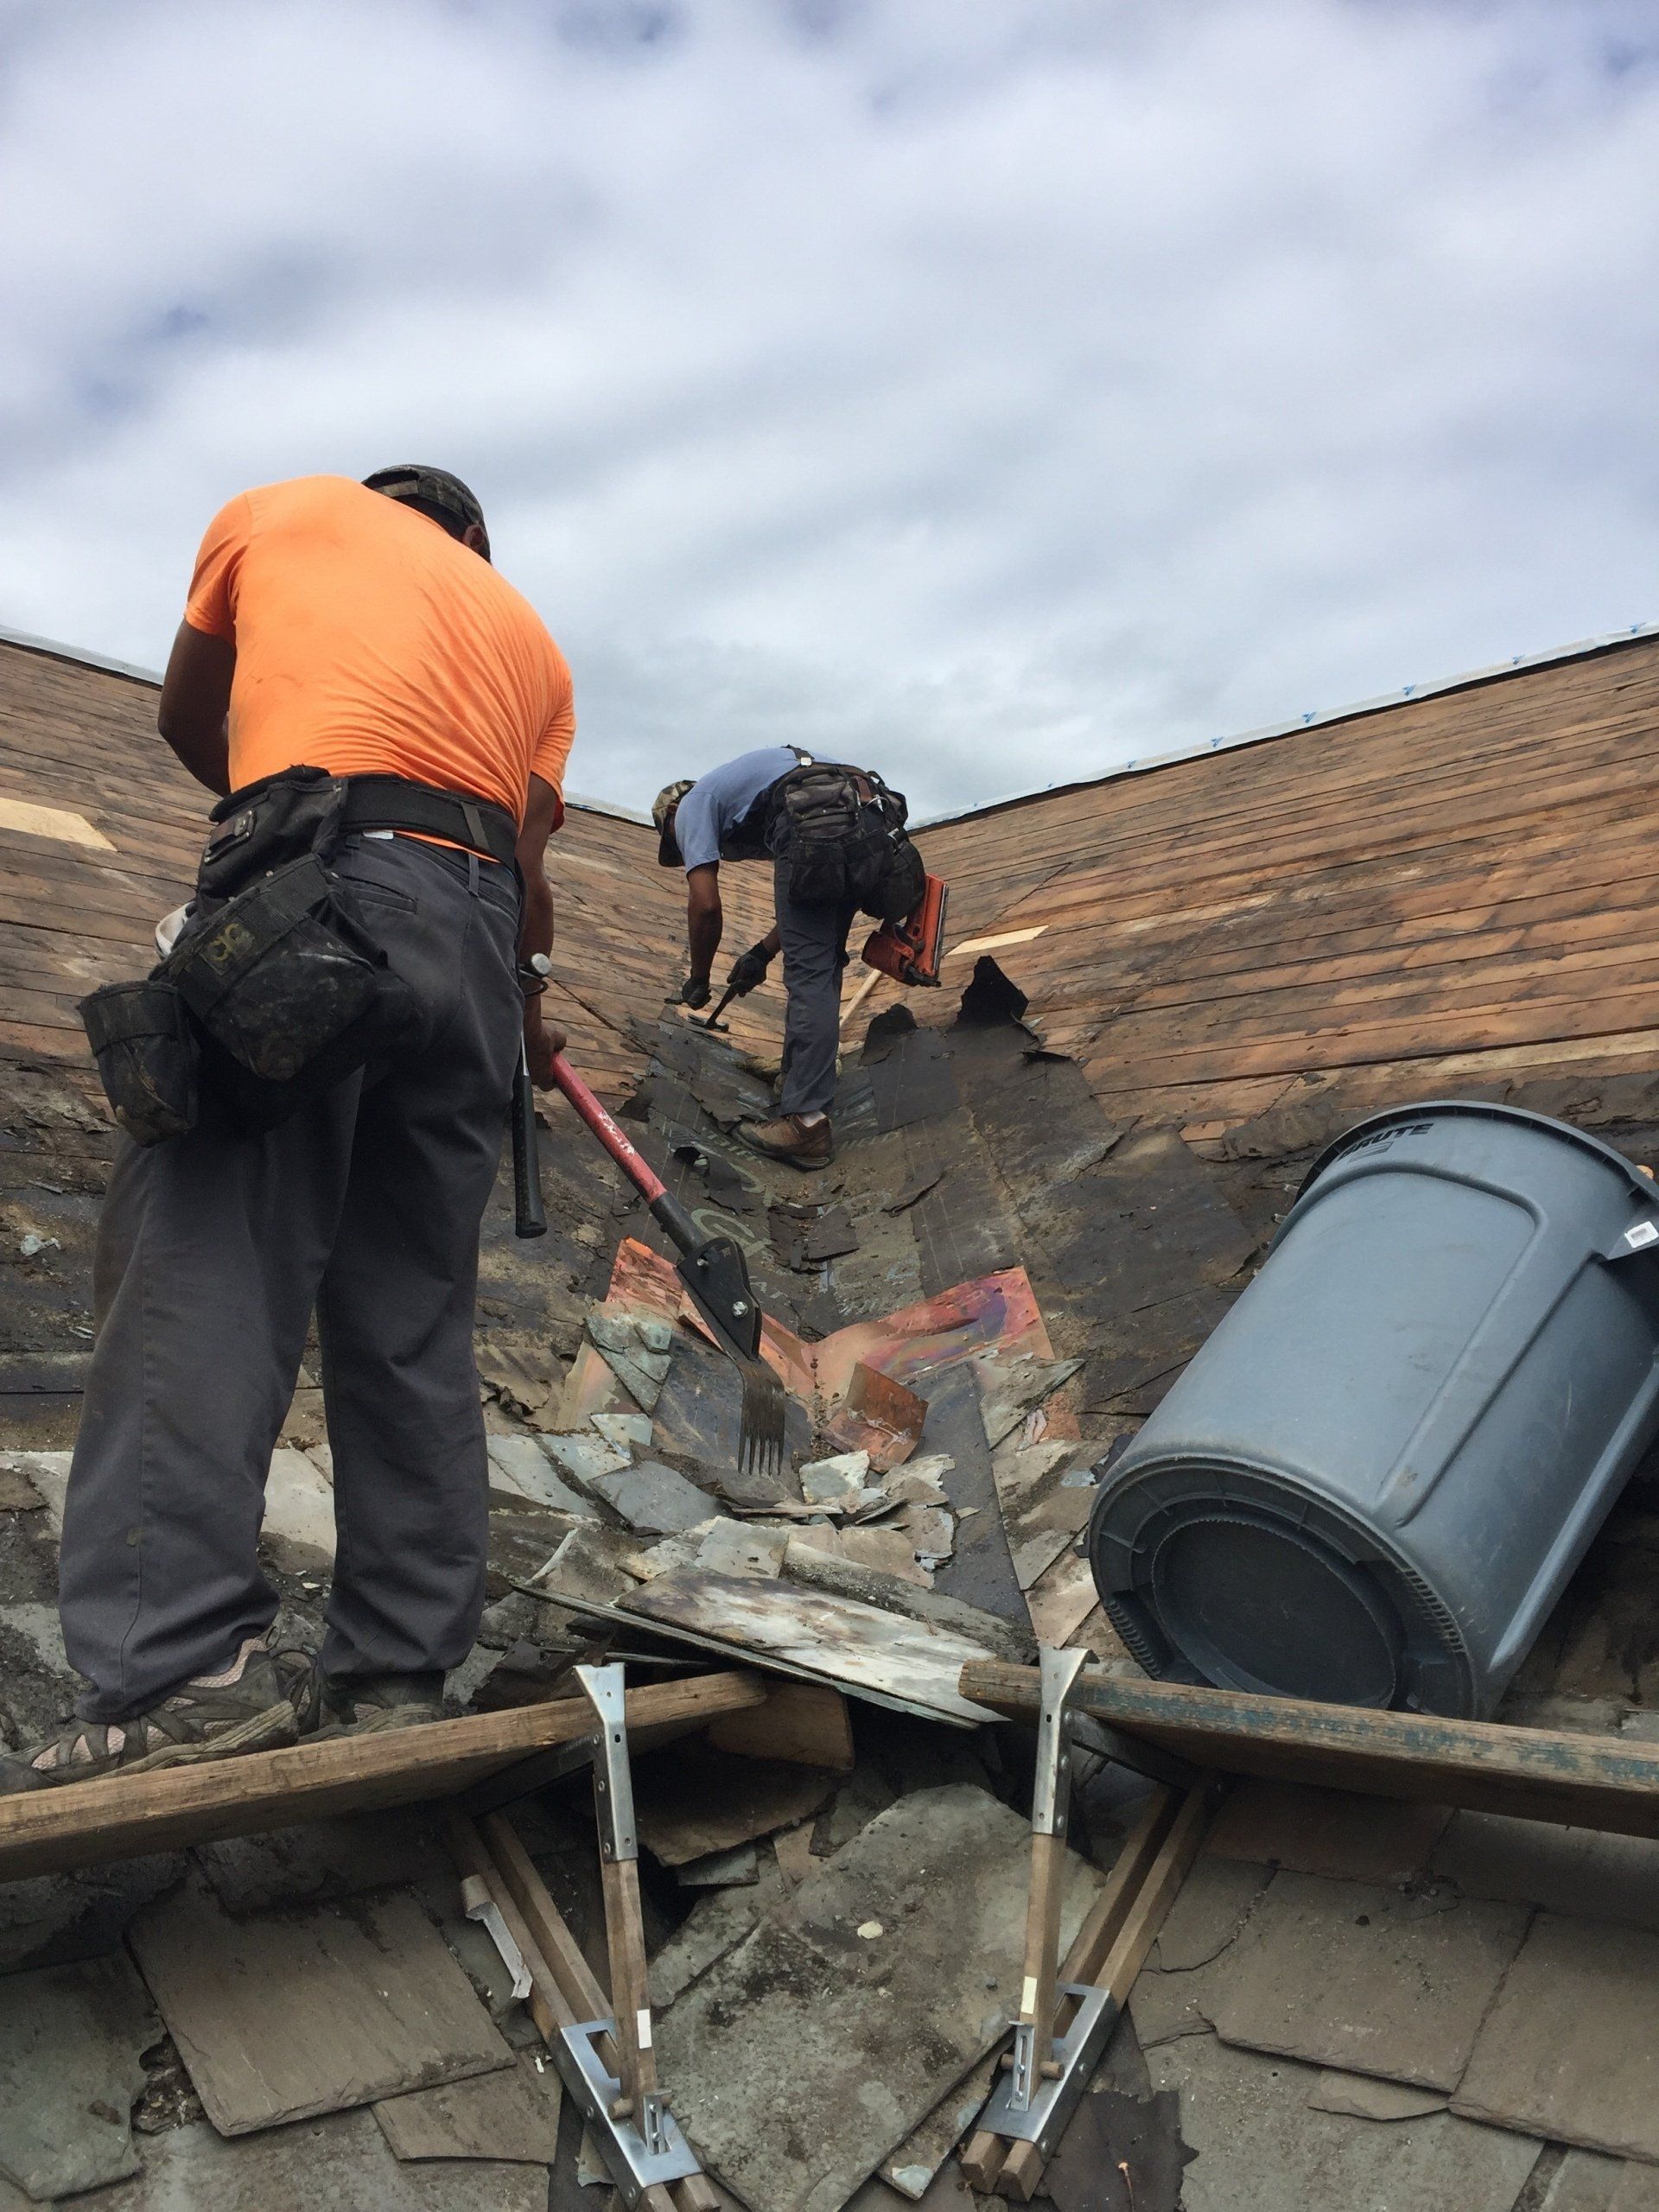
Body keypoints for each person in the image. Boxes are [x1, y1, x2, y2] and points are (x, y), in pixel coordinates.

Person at [0, 467, 574, 1792]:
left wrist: (286, 823)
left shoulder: (285, 509)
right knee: (414, 1312)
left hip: (325, 880)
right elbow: (530, 873)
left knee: (204, 1259)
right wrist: (529, 1022)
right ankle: (398, 1671)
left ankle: (181, 1670)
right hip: (480, 951)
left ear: (386, 503)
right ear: (475, 538)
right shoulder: (534, 645)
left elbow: (187, 719)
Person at [652, 746, 918, 1169]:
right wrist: (761, 953)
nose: (687, 848)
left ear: (671, 816)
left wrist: (699, 978)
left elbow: (705, 906)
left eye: (678, 844)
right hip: (868, 825)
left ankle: (805, 1123)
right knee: (822, 964)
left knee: (810, 974)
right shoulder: (771, 790)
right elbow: (808, 906)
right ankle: (798, 1078)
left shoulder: (691, 805)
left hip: (826, 833)